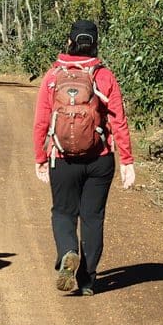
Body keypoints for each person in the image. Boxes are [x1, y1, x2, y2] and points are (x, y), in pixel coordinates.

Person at [32, 20, 135, 296]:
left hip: (62, 159)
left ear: (69, 42)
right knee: (93, 217)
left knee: (64, 212)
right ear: (96, 43)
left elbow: (41, 122)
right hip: (99, 159)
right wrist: (127, 161)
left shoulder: (53, 76)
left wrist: (40, 157)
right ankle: (87, 280)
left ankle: (68, 251)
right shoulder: (104, 76)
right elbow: (119, 121)